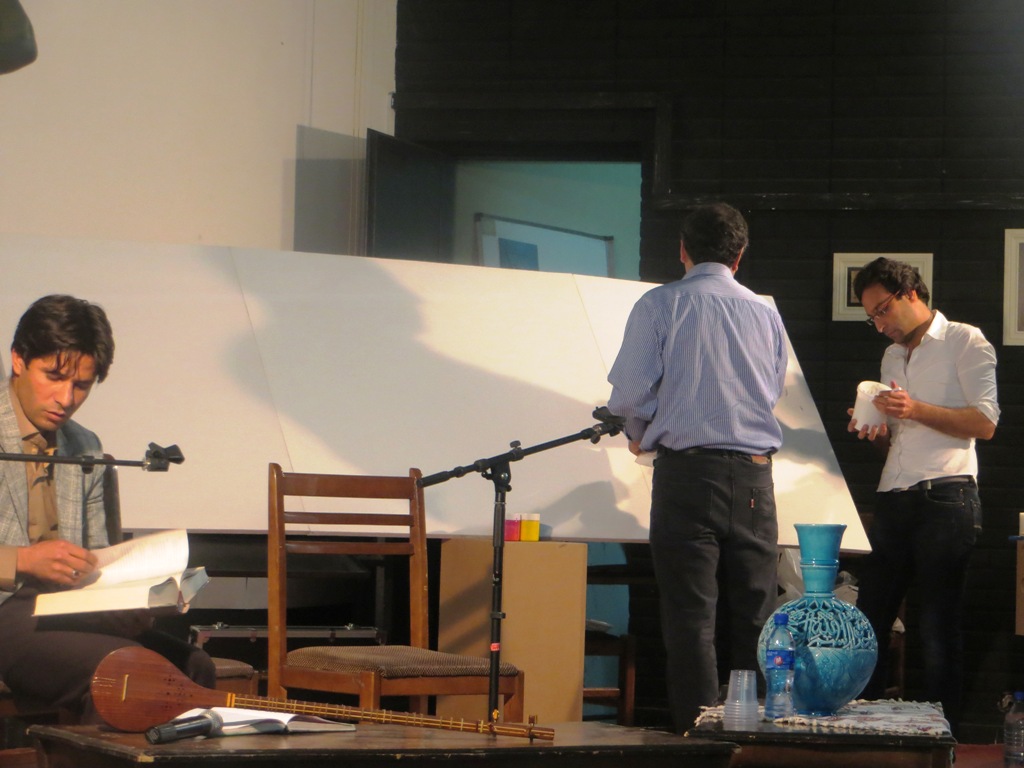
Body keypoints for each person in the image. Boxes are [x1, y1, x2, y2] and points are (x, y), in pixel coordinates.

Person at [606, 203, 788, 733]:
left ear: (682, 250)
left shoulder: (660, 304)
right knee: (756, 615)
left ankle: (699, 737)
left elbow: (629, 395)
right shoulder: (765, 313)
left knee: (691, 617)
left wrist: (638, 434)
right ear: (740, 255)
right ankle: (756, 738)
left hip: (686, 476)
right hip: (755, 477)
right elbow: (771, 389)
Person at [0, 294, 214, 723]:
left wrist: (126, 603)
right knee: (123, 675)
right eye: (54, 377)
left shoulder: (85, 446)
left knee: (194, 668)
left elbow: (97, 560)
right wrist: (23, 560)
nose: (66, 398)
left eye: (81, 385)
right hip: (6, 611)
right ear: (18, 359)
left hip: (62, 608)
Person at [848, 257, 998, 737]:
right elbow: (900, 438)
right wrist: (875, 430)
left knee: (936, 626)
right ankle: (862, 734)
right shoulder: (892, 358)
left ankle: (940, 740)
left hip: (947, 496)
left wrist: (914, 409)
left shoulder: (964, 340)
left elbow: (985, 422)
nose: (880, 325)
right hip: (894, 495)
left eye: (883, 310)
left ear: (911, 292)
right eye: (872, 317)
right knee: (870, 618)